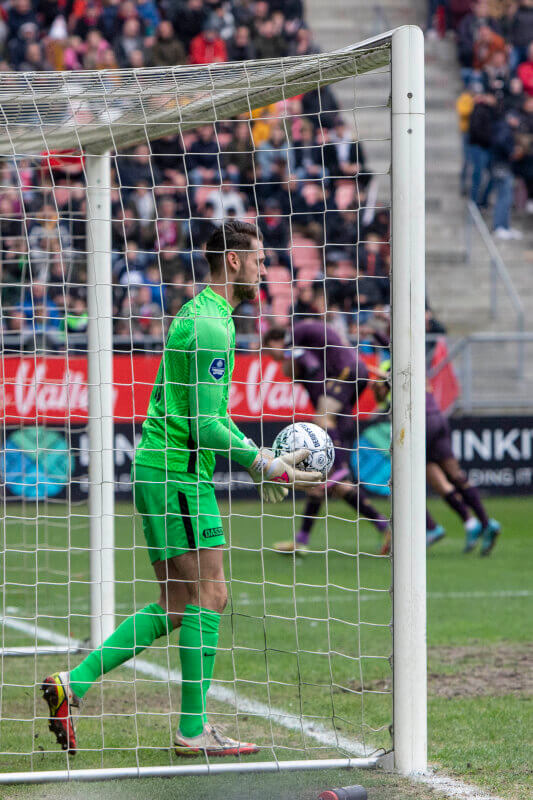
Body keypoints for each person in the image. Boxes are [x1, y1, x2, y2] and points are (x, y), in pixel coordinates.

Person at [41, 221, 322, 756]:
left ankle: (70, 685)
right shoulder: (213, 326)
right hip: (177, 474)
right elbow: (204, 426)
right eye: (259, 259)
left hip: (162, 470)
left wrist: (259, 456)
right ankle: (192, 730)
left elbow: (213, 415)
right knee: (210, 595)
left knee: (175, 605)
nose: (266, 268)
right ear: (233, 262)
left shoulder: (202, 315)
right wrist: (264, 463)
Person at [263, 319, 390, 554]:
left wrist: (289, 361)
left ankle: (340, 469)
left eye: (271, 351)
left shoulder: (303, 351)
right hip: (342, 404)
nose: (275, 359)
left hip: (342, 395)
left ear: (275, 341)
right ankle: (302, 540)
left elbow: (301, 363)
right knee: (322, 484)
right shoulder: (314, 365)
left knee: (325, 442)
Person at [372, 366, 501, 555]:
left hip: (417, 421)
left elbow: (380, 398)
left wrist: (380, 386)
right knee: (447, 476)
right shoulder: (411, 358)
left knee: (402, 480)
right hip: (436, 418)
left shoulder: (392, 364)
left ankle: (430, 528)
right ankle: (480, 522)